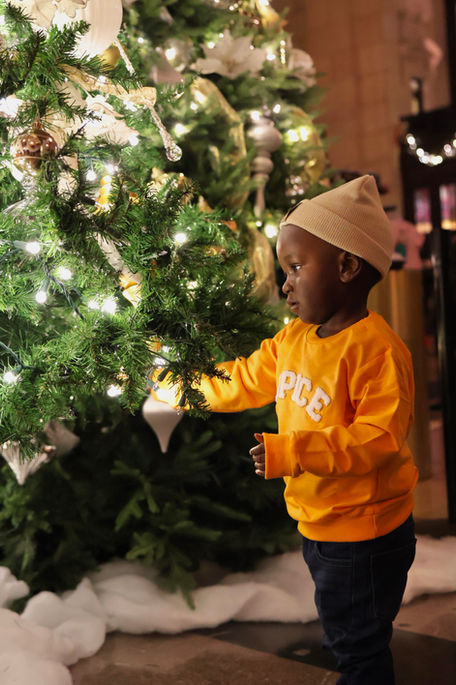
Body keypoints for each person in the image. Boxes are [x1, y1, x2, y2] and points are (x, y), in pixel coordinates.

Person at [151, 174, 418, 684]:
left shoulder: (376, 350)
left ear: (346, 266)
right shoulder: (294, 338)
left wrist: (295, 451)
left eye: (296, 267)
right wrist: (176, 385)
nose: (285, 283)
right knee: (345, 629)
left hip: (365, 532)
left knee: (357, 644)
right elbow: (243, 379)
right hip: (319, 522)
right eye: (284, 270)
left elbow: (378, 439)